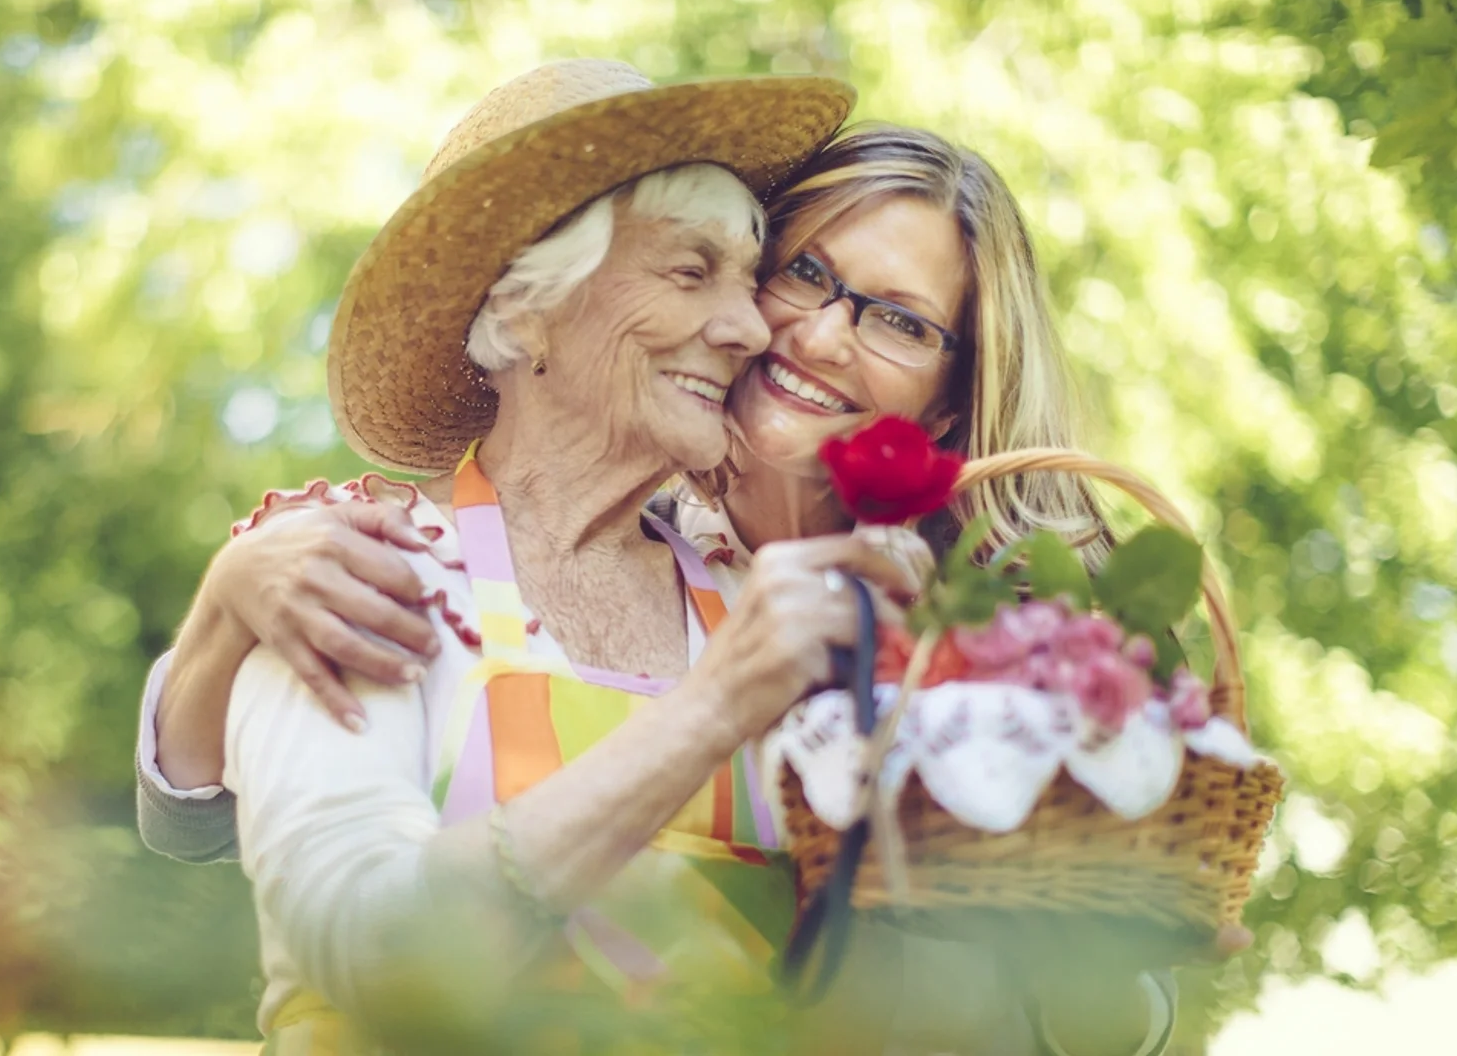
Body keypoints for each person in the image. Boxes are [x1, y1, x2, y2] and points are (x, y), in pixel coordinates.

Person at [141, 65, 1212, 1053]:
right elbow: (372, 950)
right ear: (531, 303)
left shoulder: (800, 618)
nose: (760, 328)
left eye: (897, 319)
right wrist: (717, 704)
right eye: (740, 273)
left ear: (953, 392)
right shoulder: (362, 569)